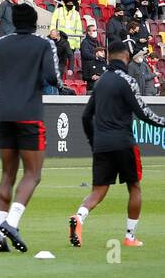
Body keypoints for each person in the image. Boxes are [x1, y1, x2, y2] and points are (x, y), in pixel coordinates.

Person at [0, 2, 59, 253]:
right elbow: (52, 77)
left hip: (5, 114)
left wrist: (6, 73)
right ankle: (12, 223)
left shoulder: (1, 44)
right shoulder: (43, 44)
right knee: (33, 174)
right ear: (34, 23)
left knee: (7, 175)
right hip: (30, 114)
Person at [70, 41, 165, 250]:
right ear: (125, 57)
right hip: (124, 142)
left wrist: (93, 141)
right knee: (134, 188)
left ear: (109, 57)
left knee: (98, 190)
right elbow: (143, 113)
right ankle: (130, 237)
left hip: (102, 145)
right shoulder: (128, 80)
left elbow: (86, 116)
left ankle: (79, 217)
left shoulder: (101, 82)